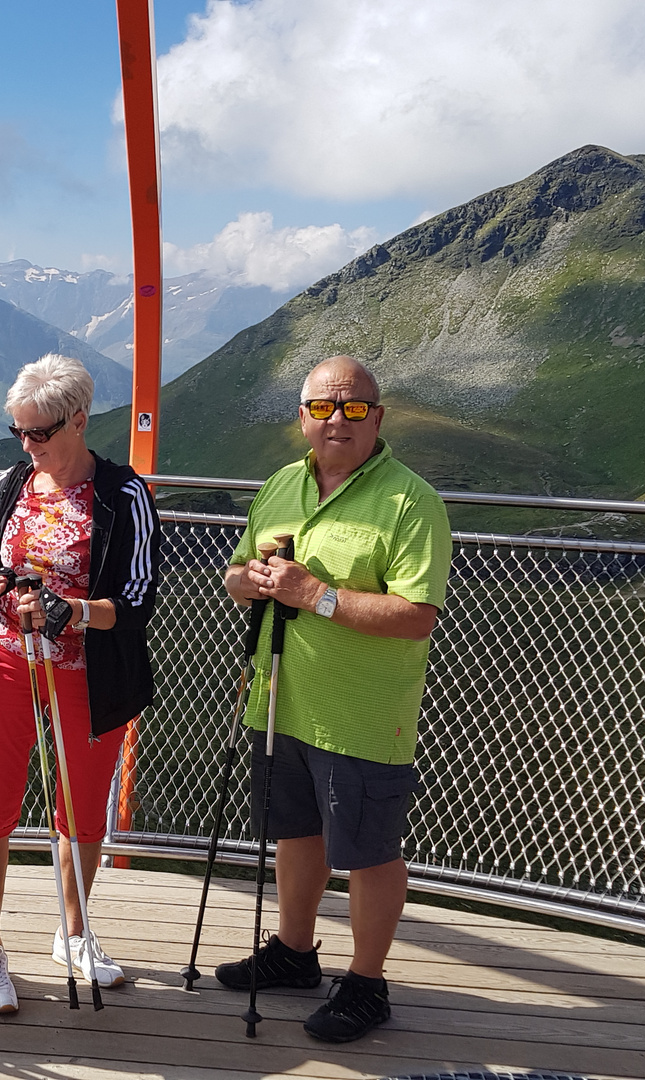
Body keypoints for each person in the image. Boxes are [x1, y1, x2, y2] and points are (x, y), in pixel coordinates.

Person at [212, 354, 450, 1043]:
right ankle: (293, 953)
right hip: (278, 698)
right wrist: (249, 582)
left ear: (378, 418)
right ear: (303, 418)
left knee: (369, 850)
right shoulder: (282, 484)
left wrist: (314, 595)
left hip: (363, 712)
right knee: (297, 831)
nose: (337, 421)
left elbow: (417, 615)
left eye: (352, 409)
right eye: (323, 408)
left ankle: (368, 983)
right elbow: (236, 574)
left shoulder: (411, 501)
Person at [0, 353, 160, 1015]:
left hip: (87, 671)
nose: (27, 444)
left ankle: (73, 931)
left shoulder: (124, 494)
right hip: (7, 659)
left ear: (79, 421)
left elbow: (137, 600)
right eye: (18, 430)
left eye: (39, 432)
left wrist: (73, 612)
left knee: (82, 808)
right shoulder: (11, 483)